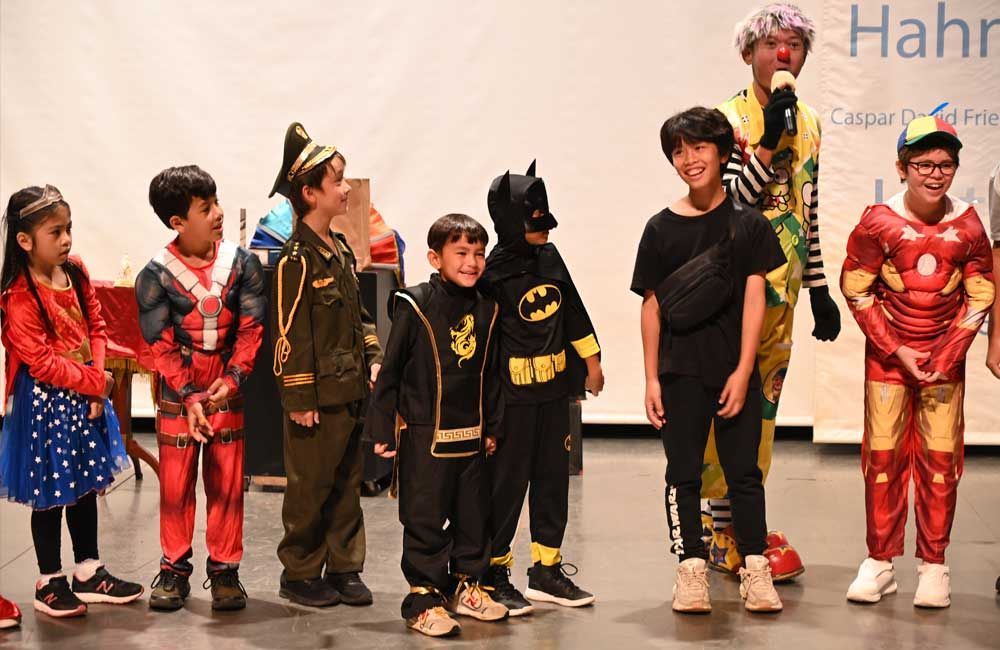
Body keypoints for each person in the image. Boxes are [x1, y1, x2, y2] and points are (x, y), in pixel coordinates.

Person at [631, 107, 786, 613]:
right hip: (679, 371)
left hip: (733, 369)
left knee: (744, 473)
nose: (688, 159)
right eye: (678, 150)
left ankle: (756, 568)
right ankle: (690, 570)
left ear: (723, 153)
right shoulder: (659, 228)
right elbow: (651, 306)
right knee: (683, 473)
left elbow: (756, 300)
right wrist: (652, 378)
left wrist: (744, 370)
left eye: (699, 147)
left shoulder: (750, 225)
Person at [704, 2, 838, 580]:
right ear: (748, 52)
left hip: (785, 289)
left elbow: (804, 212)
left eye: (795, 46)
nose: (784, 55)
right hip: (731, 287)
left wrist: (820, 284)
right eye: (771, 45)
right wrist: (764, 142)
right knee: (726, 400)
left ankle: (743, 519)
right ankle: (715, 525)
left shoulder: (809, 120)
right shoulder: (721, 118)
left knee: (764, 406)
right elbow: (728, 204)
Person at [841, 117, 994, 608]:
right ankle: (880, 562)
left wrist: (946, 354)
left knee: (940, 463)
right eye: (924, 164)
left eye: (945, 165)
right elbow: (856, 288)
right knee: (883, 461)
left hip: (943, 365)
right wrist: (896, 348)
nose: (935, 174)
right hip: (888, 363)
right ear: (902, 168)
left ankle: (934, 566)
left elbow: (980, 296)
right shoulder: (876, 222)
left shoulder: (969, 225)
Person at [0, 185, 142, 618]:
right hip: (45, 405)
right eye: (55, 232)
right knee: (49, 491)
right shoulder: (19, 295)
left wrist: (97, 380)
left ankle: (89, 569)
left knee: (83, 485)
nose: (66, 240)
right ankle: (49, 579)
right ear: (25, 240)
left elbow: (96, 325)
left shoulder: (75, 271)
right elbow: (40, 362)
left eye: (69, 230)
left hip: (85, 397)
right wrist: (92, 384)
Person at [364, 213, 508, 637]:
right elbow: (390, 371)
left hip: (473, 433)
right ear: (435, 257)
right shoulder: (415, 303)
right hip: (425, 434)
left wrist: (493, 427)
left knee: (473, 516)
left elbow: (492, 373)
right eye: (461, 252)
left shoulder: (489, 306)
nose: (472, 262)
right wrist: (381, 427)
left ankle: (467, 585)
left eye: (479, 253)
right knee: (424, 517)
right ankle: (423, 598)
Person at [137, 165, 265, 611]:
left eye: (216, 202)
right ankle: (173, 569)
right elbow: (160, 344)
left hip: (226, 389)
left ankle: (225, 571)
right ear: (177, 222)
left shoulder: (243, 264)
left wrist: (231, 381)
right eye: (205, 208)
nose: (218, 213)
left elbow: (251, 330)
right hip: (179, 393)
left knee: (228, 482)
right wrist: (189, 395)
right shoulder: (155, 275)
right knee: (175, 484)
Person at [479, 161, 603, 614]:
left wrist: (592, 361)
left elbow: (571, 309)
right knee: (506, 487)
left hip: (554, 396)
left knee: (553, 482)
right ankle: (495, 571)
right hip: (512, 403)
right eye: (534, 222)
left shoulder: (550, 258)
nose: (545, 230)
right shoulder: (491, 275)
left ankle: (546, 570)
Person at [269, 122, 383, 607]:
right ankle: (298, 572)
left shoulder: (338, 250)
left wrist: (375, 358)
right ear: (310, 193)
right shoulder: (296, 259)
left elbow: (358, 318)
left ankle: (343, 567)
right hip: (316, 397)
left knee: (346, 484)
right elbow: (289, 336)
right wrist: (299, 398)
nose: (345, 188)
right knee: (309, 488)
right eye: (337, 181)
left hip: (350, 389)